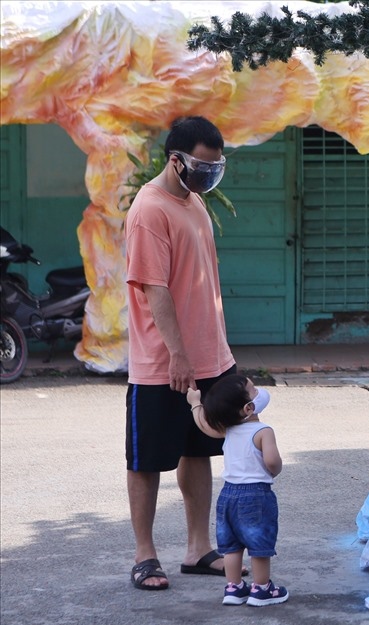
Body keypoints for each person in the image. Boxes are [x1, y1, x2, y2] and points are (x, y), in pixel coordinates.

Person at [126, 115, 240, 590]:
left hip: (209, 356)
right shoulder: (149, 209)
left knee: (200, 449)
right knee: (148, 458)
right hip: (163, 362)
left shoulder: (193, 203)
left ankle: (197, 549)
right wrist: (177, 354)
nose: (210, 174)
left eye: (217, 166)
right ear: (176, 160)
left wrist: (216, 349)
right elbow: (155, 290)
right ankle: (145, 555)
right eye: (203, 165)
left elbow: (202, 283)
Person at [187, 375, 288, 606]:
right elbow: (272, 462)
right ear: (249, 408)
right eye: (253, 389)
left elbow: (204, 424)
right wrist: (275, 469)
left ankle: (233, 588)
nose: (258, 390)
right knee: (259, 546)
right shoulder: (263, 431)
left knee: (232, 547)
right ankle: (262, 590)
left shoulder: (227, 430)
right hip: (256, 495)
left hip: (228, 496)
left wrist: (195, 403)